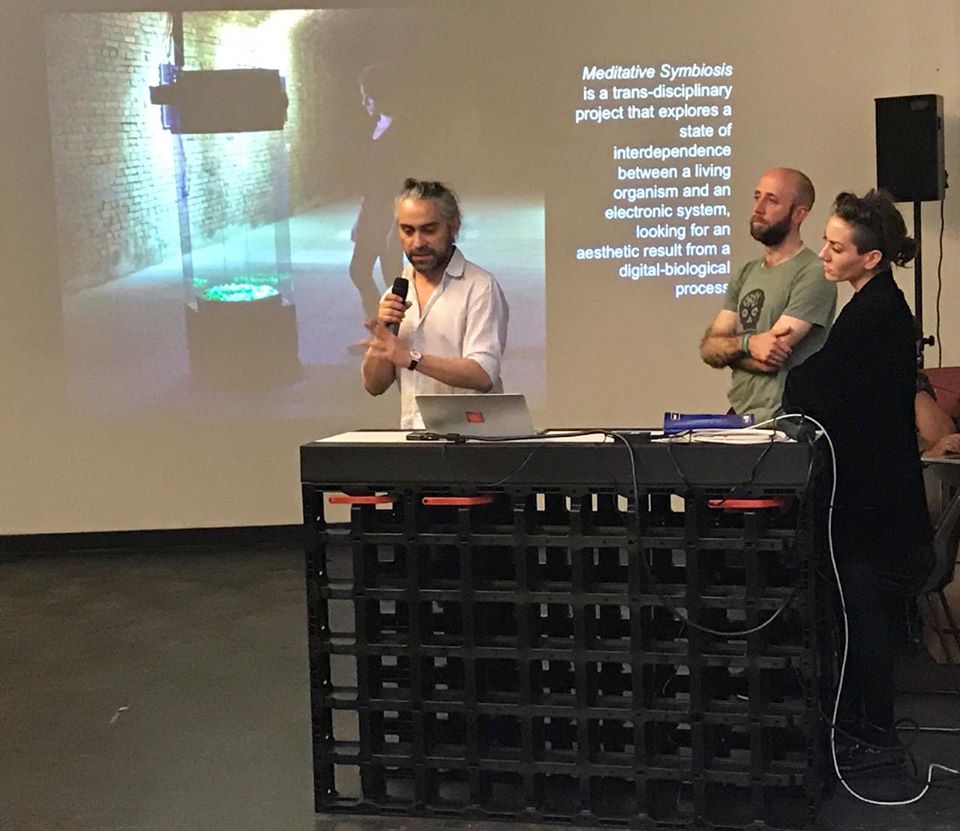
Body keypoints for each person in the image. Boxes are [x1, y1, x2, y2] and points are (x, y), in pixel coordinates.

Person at [783, 190, 933, 771]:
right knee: (857, 613)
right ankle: (865, 729)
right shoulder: (875, 306)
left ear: (870, 258)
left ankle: (872, 734)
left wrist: (795, 382)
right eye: (825, 242)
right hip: (870, 494)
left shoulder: (875, 313)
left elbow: (821, 386)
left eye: (836, 247)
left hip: (868, 501)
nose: (823, 253)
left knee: (860, 615)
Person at [362, 178, 509, 429]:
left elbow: (483, 374)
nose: (418, 242)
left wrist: (412, 358)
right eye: (408, 231)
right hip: (414, 438)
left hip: (472, 439)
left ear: (454, 227)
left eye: (429, 230)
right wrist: (386, 332)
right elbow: (374, 386)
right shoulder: (395, 293)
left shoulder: (479, 286)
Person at [699, 168, 837, 423]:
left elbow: (769, 358)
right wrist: (747, 344)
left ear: (799, 214)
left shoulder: (814, 271)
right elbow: (709, 348)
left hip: (784, 419)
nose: (759, 208)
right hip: (741, 415)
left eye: (772, 200)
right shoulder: (746, 272)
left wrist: (729, 352)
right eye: (757, 197)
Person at [348, 65, 411, 320]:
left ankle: (393, 331)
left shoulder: (403, 132)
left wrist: (396, 223)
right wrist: (361, 217)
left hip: (389, 214)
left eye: (368, 96)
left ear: (382, 95)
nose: (364, 102)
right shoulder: (374, 128)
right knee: (359, 271)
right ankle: (379, 325)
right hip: (371, 212)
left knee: (392, 278)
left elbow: (403, 181)